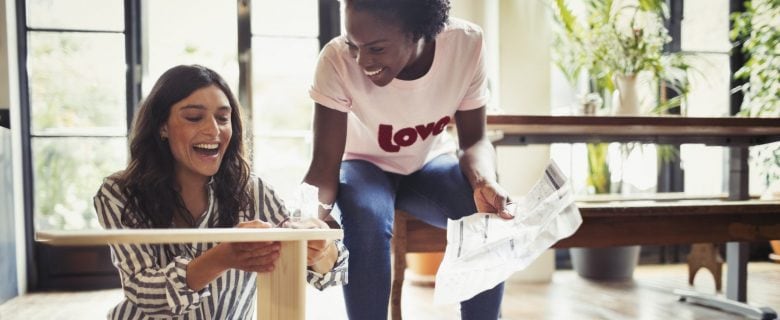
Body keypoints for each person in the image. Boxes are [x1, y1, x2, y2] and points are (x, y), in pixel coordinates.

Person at [304, 0, 513, 319]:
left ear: (417, 31)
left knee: (481, 214)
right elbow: (323, 167)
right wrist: (307, 218)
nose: (362, 61)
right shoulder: (335, 60)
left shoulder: (465, 44)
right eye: (354, 46)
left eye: (376, 48)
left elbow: (474, 142)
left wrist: (485, 181)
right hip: (363, 166)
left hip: (429, 163)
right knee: (366, 216)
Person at [94, 65, 348, 319]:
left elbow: (329, 273)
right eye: (194, 117)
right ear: (162, 127)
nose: (214, 131)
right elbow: (144, 293)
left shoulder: (253, 191)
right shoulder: (119, 193)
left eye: (222, 118)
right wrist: (221, 258)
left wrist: (321, 248)